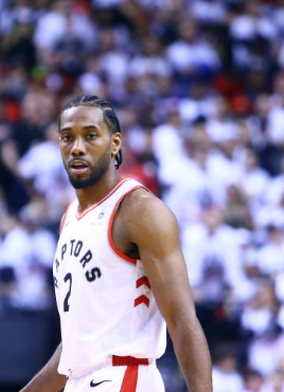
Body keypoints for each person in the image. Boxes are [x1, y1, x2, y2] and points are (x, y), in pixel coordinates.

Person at [21, 95, 212, 392]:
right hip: (80, 382)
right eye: (67, 137)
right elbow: (77, 348)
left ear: (115, 143)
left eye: (90, 135)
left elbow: (182, 319)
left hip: (125, 378)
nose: (77, 147)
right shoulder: (70, 218)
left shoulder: (139, 210)